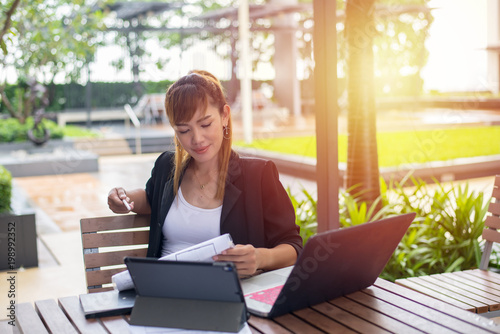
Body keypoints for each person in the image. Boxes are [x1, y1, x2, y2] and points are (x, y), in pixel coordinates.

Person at [108, 70, 302, 276]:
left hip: (228, 295)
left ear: (225, 116)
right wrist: (125, 198)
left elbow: (293, 247)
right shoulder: (167, 166)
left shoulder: (258, 176)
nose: (197, 139)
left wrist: (261, 257)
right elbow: (151, 198)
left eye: (205, 124)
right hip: (163, 289)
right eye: (184, 130)